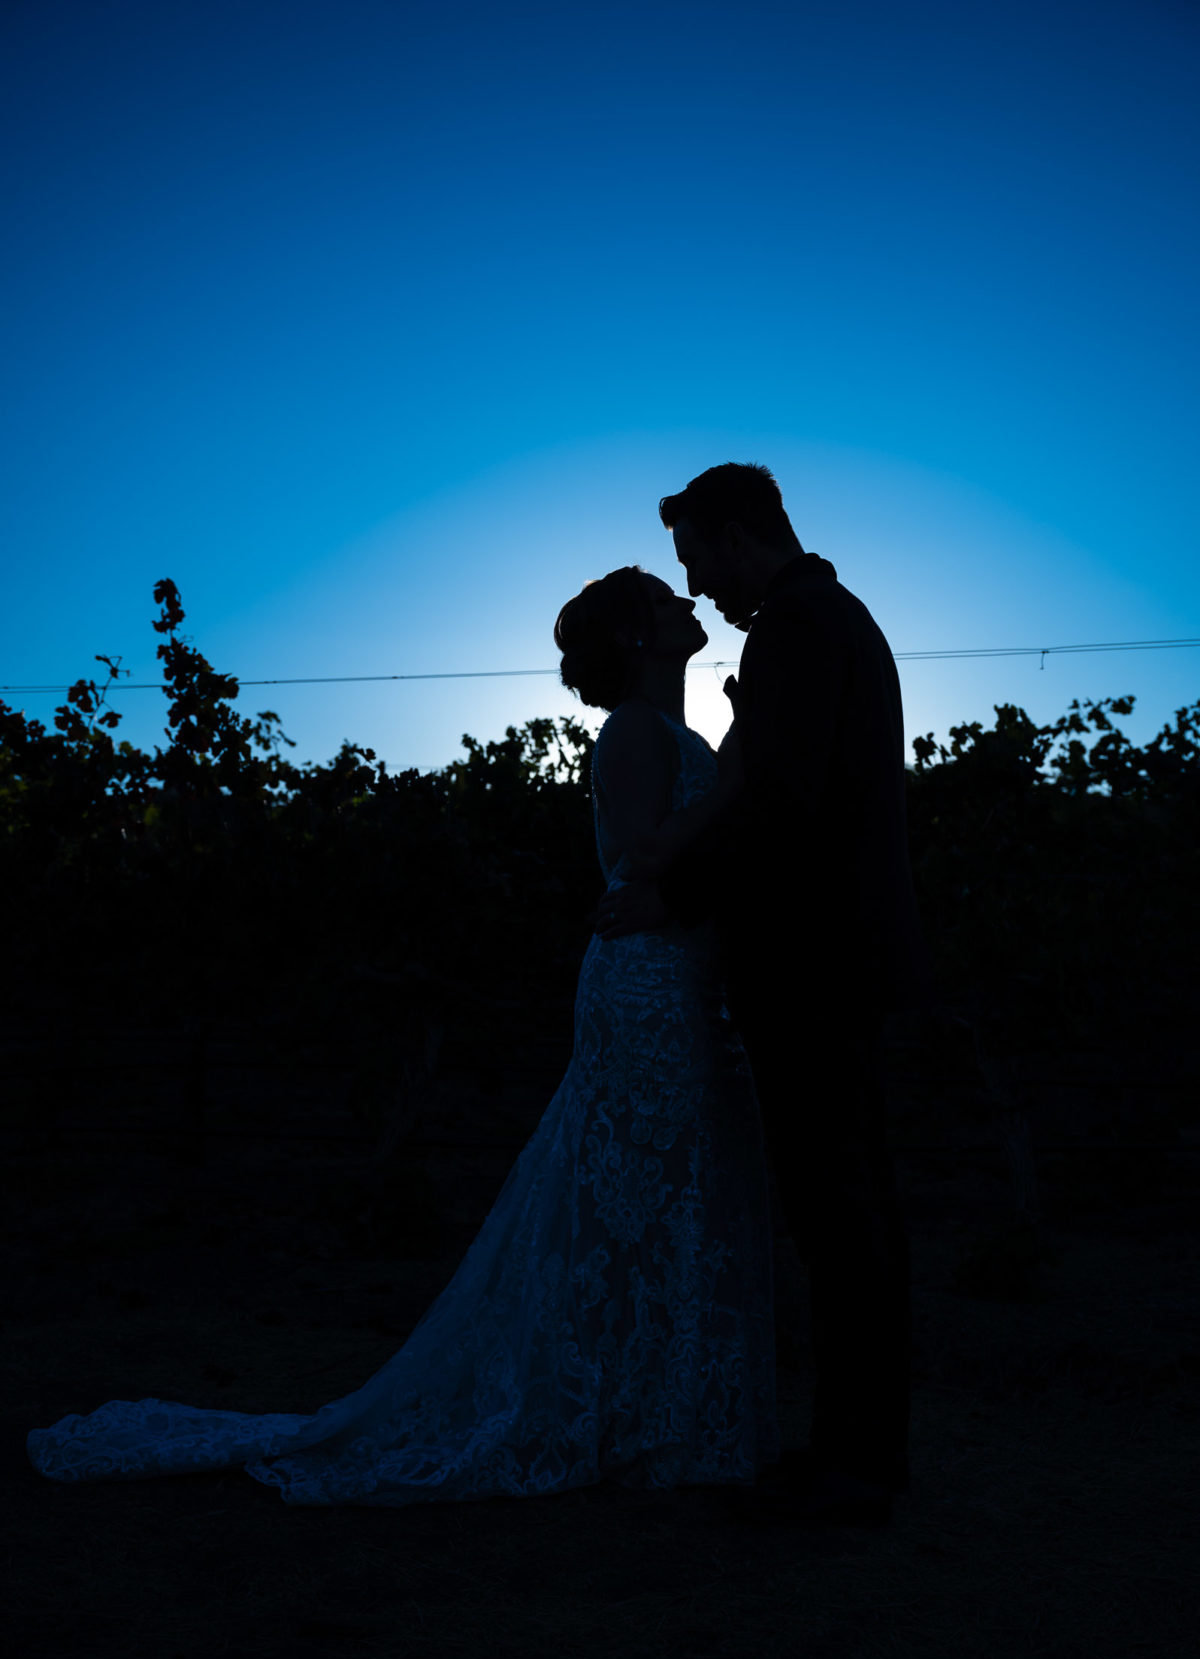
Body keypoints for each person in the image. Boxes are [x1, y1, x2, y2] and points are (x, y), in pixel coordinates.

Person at [26, 566, 781, 1507]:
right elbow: (644, 851)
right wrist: (743, 765)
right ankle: (624, 1415)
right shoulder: (632, 730)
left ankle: (659, 1412)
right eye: (668, 601)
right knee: (628, 1197)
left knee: (673, 1195)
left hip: (687, 981)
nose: (689, 605)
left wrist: (735, 753)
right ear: (637, 636)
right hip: (645, 987)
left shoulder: (679, 732)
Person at [597, 463, 932, 1526]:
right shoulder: (829, 617)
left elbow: (782, 801)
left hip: (812, 958)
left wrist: (675, 897)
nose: (699, 589)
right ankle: (858, 1447)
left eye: (700, 561)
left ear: (740, 537)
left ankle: (858, 1462)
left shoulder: (797, 627)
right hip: (837, 955)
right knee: (850, 1203)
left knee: (838, 1208)